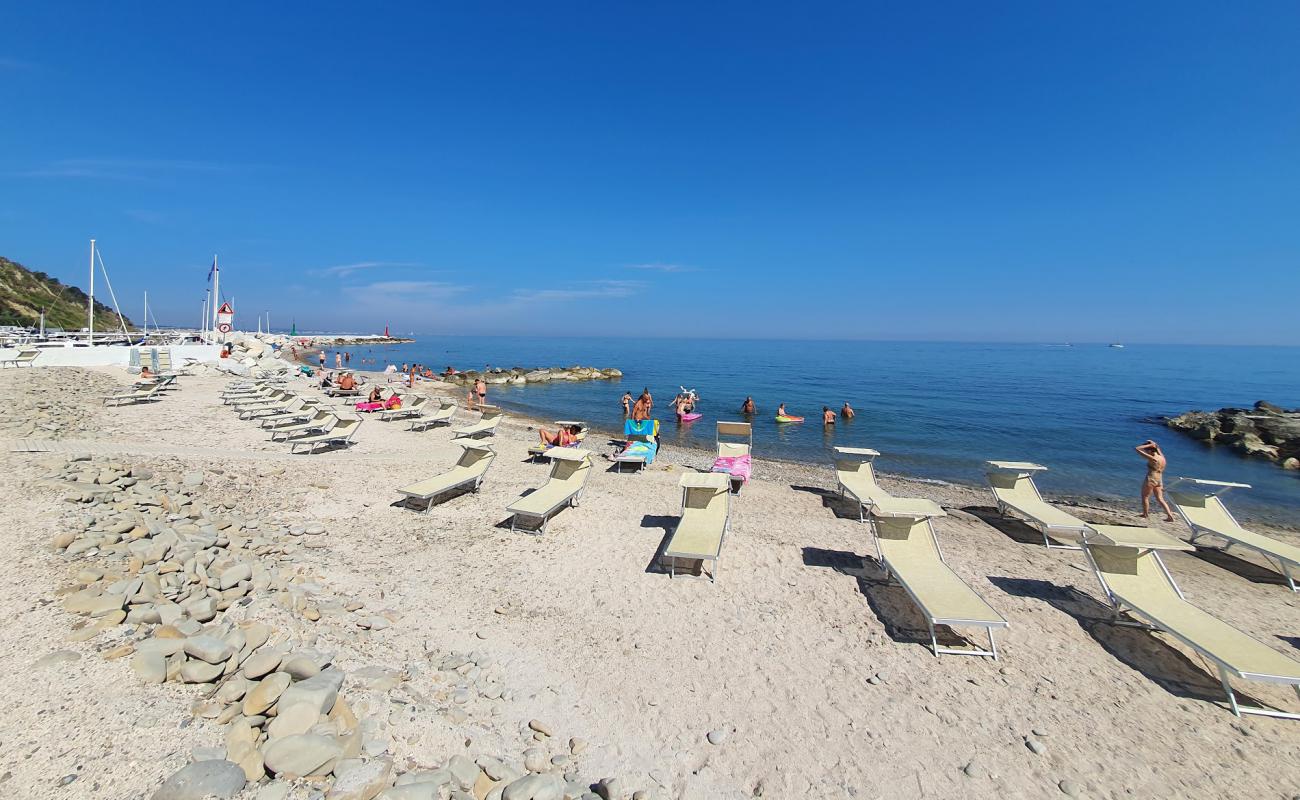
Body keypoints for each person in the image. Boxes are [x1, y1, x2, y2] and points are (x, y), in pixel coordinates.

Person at [1136, 440, 1176, 521]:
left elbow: (1137, 449)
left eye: (1147, 450)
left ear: (1150, 450)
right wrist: (1154, 445)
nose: (1146, 452)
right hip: (1159, 479)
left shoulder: (1153, 458)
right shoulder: (1162, 458)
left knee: (1145, 497)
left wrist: (1149, 445)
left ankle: (1145, 514)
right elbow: (1158, 449)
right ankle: (1170, 516)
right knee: (1160, 498)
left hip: (1151, 478)